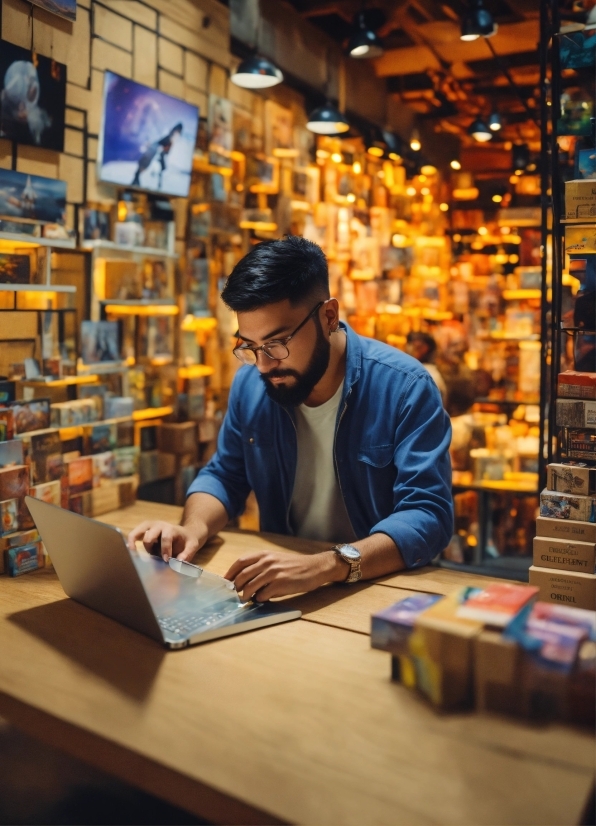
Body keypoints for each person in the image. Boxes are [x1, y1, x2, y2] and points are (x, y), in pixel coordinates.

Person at [128, 236, 453, 602]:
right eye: (249, 346)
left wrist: (326, 565)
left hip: (379, 589)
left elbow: (428, 515)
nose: (264, 365)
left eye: (276, 343)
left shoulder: (405, 387)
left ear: (329, 316)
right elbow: (225, 474)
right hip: (284, 590)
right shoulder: (251, 384)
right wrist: (192, 529)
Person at [405, 331, 448, 405]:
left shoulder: (425, 374)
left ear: (424, 348)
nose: (409, 348)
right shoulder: (423, 371)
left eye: (413, 345)